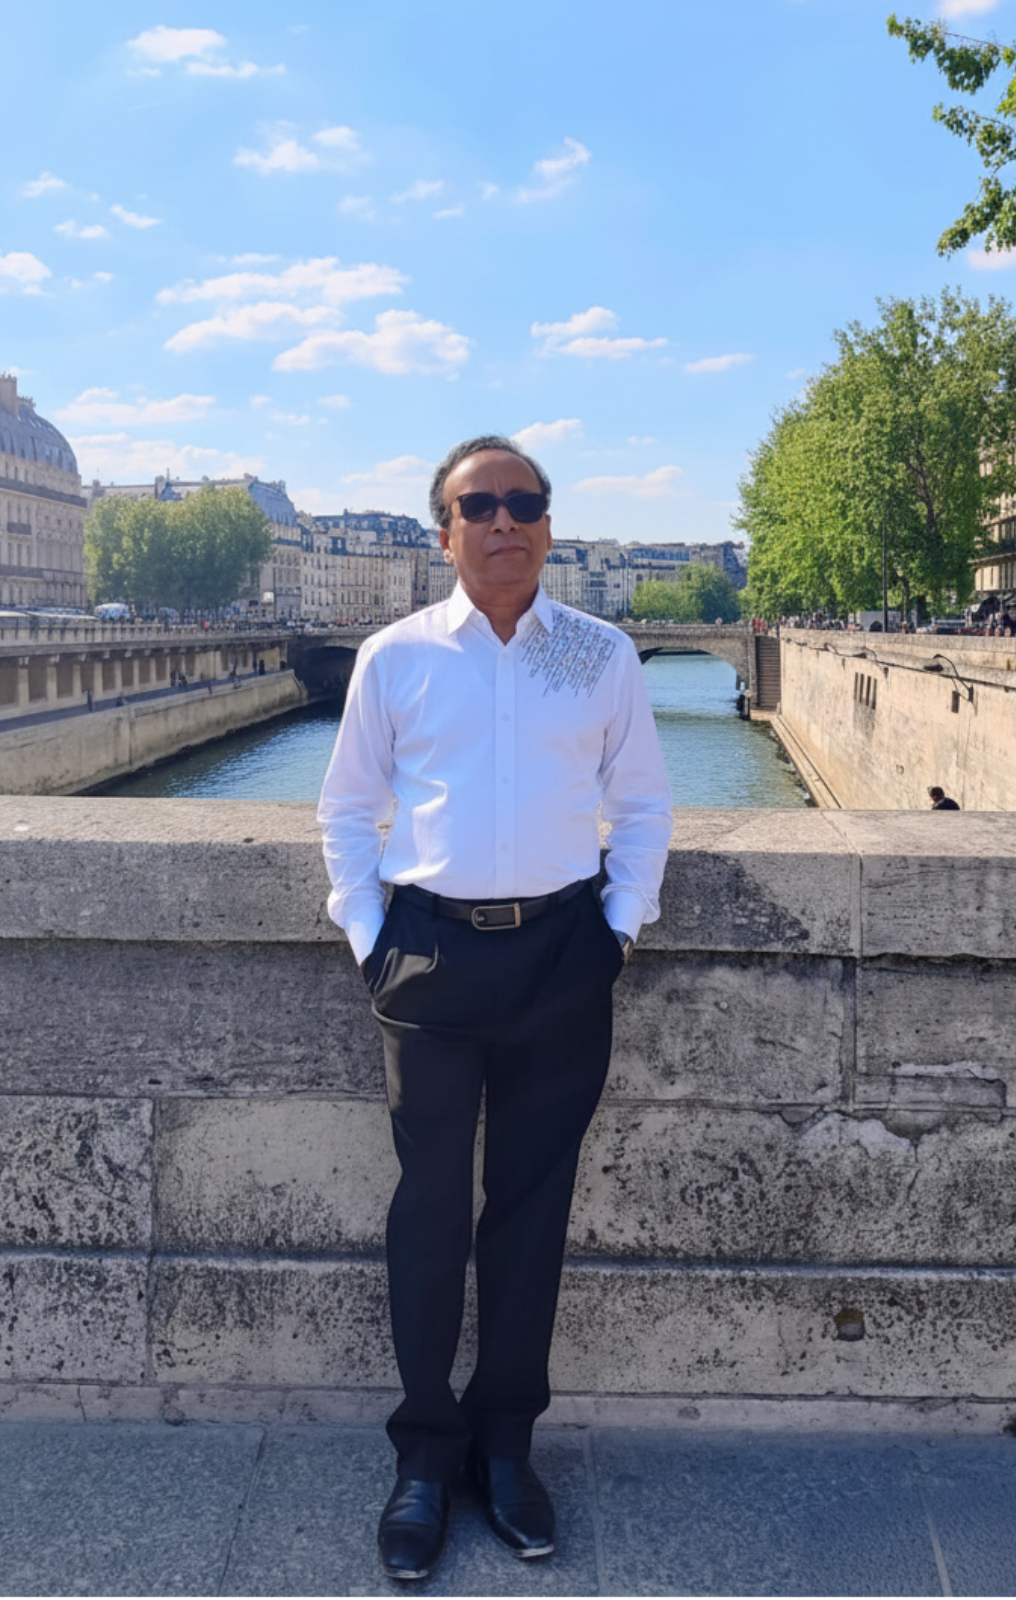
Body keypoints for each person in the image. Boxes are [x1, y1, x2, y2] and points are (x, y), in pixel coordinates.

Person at [317, 435, 672, 1582]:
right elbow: (346, 810)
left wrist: (619, 931)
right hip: (428, 956)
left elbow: (644, 805)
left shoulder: (602, 654)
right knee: (429, 1211)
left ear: (549, 526)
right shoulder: (393, 657)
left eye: (525, 502)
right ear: (446, 532)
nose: (505, 520)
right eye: (481, 506)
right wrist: (370, 937)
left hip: (565, 952)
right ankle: (425, 1455)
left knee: (532, 1211)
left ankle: (506, 1446)